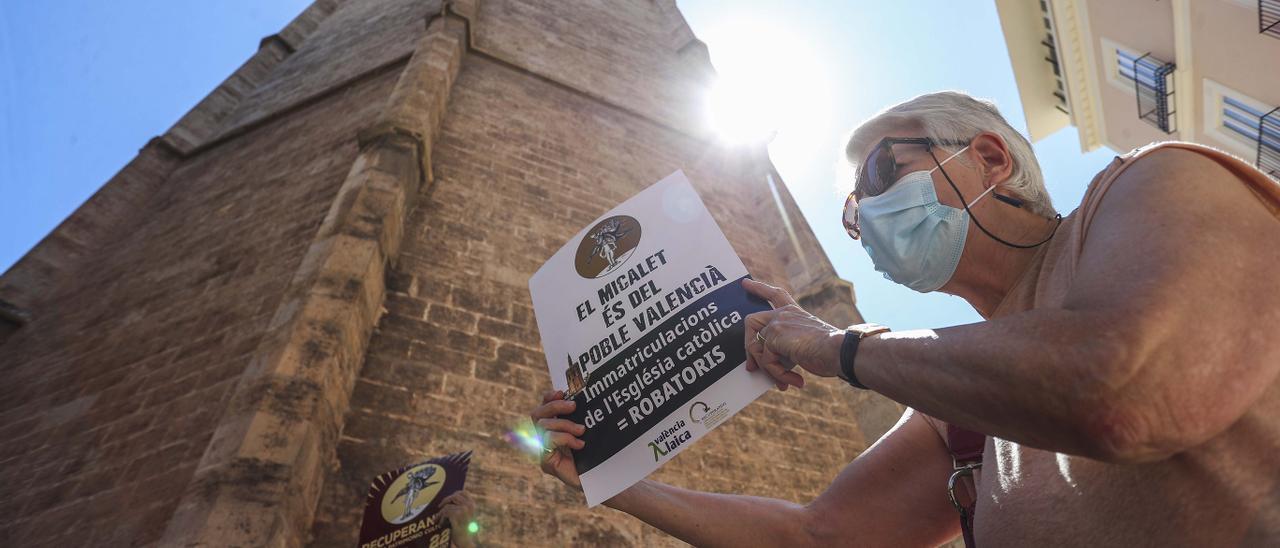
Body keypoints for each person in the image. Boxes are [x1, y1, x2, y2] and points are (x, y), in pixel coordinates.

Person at [531, 91, 1280, 546]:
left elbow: (1126, 390)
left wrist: (839, 349)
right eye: (855, 217)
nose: (872, 220)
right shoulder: (959, 415)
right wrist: (612, 477)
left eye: (885, 173)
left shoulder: (1153, 181)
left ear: (989, 158)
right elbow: (816, 538)